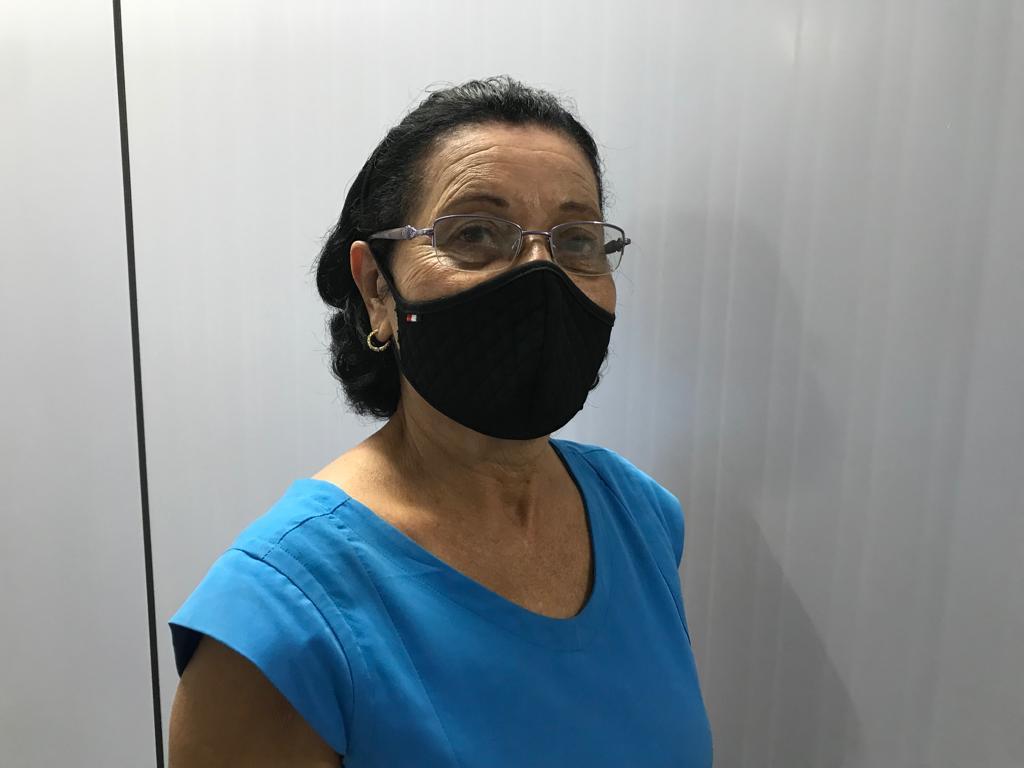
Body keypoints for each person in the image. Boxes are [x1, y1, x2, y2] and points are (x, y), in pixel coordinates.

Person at [167, 76, 713, 767]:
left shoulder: (641, 518)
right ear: (377, 289)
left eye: (576, 239)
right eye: (475, 233)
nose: (540, 273)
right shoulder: (278, 619)